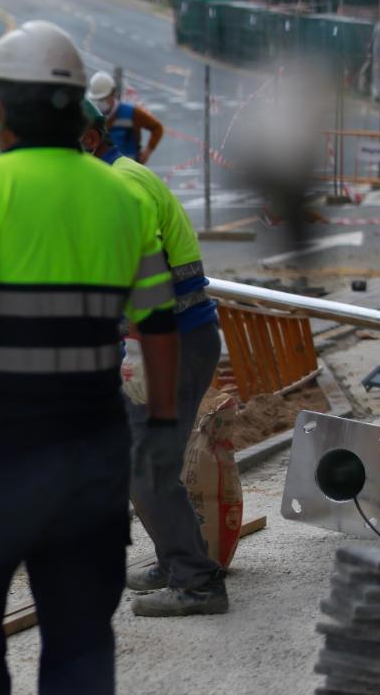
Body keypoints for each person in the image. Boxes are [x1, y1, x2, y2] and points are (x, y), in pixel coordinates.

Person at [0, 21, 180, 693]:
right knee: (81, 637)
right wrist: (163, 424)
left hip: (2, 449)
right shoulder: (121, 194)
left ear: (8, 109)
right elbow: (160, 320)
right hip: (93, 447)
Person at [82, 100, 228, 617]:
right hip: (162, 342)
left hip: (172, 345)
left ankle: (199, 582)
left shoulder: (119, 186)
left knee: (149, 465)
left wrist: (141, 351)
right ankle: (176, 559)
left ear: (90, 140)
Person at [87, 71, 163, 164]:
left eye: (103, 99)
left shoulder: (131, 113)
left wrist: (147, 152)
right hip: (102, 171)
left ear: (113, 94)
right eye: (96, 100)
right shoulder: (90, 116)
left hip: (128, 173)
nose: (99, 103)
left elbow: (157, 128)